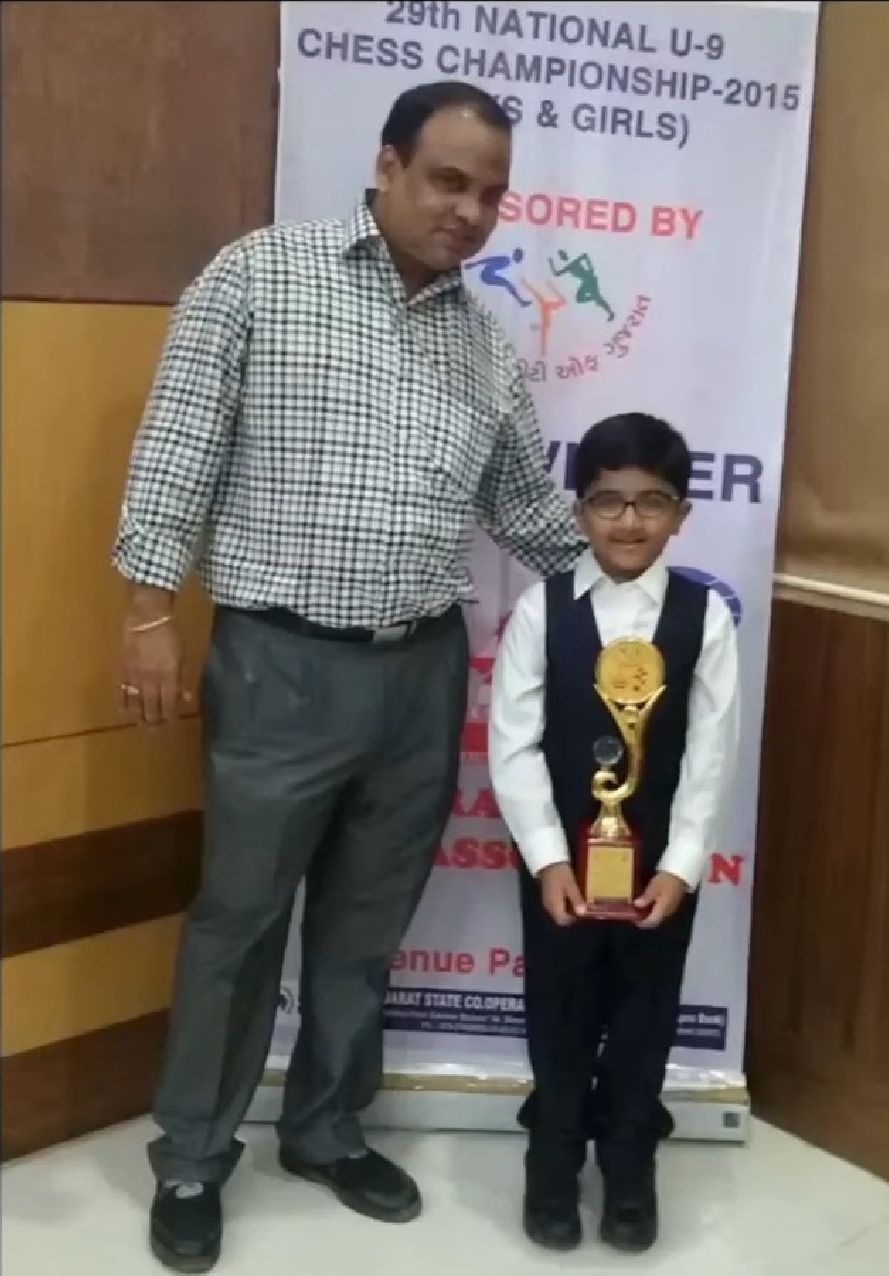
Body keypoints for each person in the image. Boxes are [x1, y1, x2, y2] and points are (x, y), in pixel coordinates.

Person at [113, 81, 584, 1273]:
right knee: (238, 920)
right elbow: (176, 445)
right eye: (447, 180)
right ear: (385, 166)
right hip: (279, 665)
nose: (468, 210)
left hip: (421, 671)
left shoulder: (484, 342)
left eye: (490, 193)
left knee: (365, 929)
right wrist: (148, 609)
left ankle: (324, 1128)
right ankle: (192, 1154)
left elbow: (527, 507)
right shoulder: (259, 276)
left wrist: (641, 605)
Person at [488, 413, 739, 1254]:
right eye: (608, 502)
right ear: (579, 510)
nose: (629, 521)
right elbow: (513, 744)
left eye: (651, 502)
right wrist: (547, 858)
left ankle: (630, 1163)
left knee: (644, 1014)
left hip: (661, 865)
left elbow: (711, 751)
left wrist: (682, 864)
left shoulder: (705, 617)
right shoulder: (541, 610)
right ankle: (553, 1159)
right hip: (560, 861)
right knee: (559, 1011)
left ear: (681, 513)